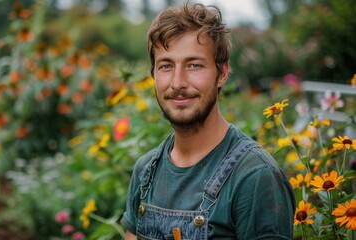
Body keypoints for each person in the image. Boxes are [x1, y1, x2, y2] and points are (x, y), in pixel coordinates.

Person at [120, 2, 296, 240]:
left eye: (194, 65)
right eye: (166, 66)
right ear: (153, 74)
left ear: (222, 73)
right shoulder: (146, 171)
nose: (177, 82)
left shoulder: (254, 177)